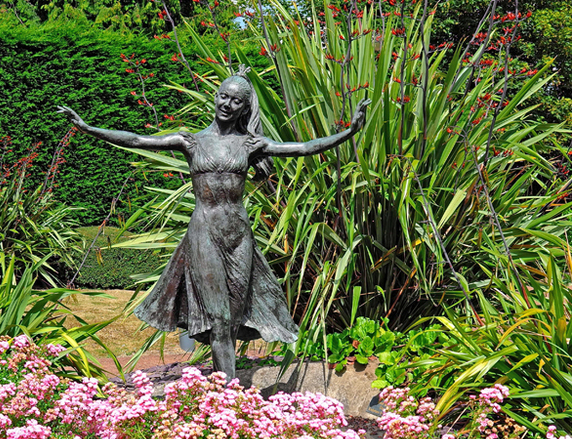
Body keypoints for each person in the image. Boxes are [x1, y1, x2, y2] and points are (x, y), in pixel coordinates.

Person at [59, 71, 369, 380]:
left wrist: (349, 132)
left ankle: (225, 386)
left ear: (244, 108)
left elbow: (303, 148)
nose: (227, 104)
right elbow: (138, 140)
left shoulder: (250, 144)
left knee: (233, 318)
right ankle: (230, 396)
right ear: (216, 96)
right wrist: (87, 128)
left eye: (236, 101)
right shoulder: (190, 141)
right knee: (219, 318)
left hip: (238, 235)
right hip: (204, 232)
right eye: (223, 96)